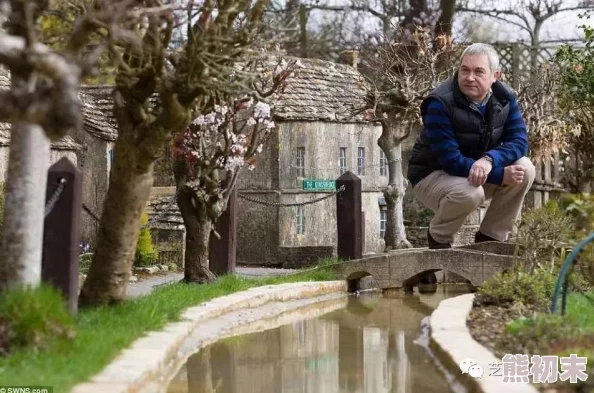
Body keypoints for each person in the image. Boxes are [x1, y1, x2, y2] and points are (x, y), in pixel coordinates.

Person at [407, 43, 535, 249]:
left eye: (478, 71)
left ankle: (490, 238)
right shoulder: (439, 103)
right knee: (471, 192)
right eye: (464, 70)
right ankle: (439, 237)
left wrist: (489, 160)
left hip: (475, 174)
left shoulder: (505, 99)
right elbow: (450, 161)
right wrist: (500, 175)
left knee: (525, 168)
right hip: (433, 176)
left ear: (495, 76)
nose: (469, 77)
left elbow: (519, 141)